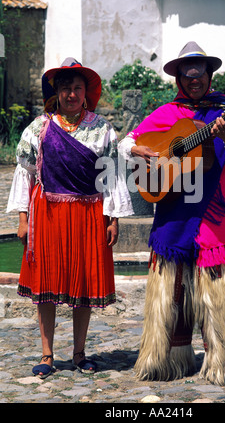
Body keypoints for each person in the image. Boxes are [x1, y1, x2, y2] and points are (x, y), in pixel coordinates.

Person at [118, 42, 225, 385]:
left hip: (217, 206)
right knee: (172, 286)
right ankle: (169, 359)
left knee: (219, 285)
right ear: (180, 81)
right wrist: (139, 149)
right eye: (187, 77)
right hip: (175, 208)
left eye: (199, 75)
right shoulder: (169, 112)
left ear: (208, 75)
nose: (194, 82)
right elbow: (125, 144)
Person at [7, 58, 133, 378]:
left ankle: (79, 353)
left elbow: (114, 176)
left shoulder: (102, 129)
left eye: (77, 88)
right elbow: (25, 175)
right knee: (47, 283)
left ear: (86, 92)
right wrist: (23, 218)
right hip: (47, 211)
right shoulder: (40, 127)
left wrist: (113, 218)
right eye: (66, 88)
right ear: (58, 92)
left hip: (88, 213)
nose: (72, 94)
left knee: (84, 285)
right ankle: (47, 354)